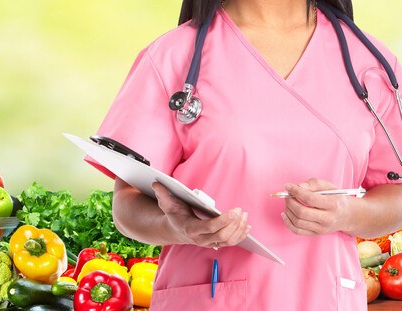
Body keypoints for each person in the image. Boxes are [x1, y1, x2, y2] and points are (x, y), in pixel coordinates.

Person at [87, 0, 402, 309]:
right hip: (207, 299)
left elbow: (396, 194)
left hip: (325, 297)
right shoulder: (173, 57)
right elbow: (127, 204)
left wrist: (348, 214)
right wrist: (179, 228)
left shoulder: (369, 63)